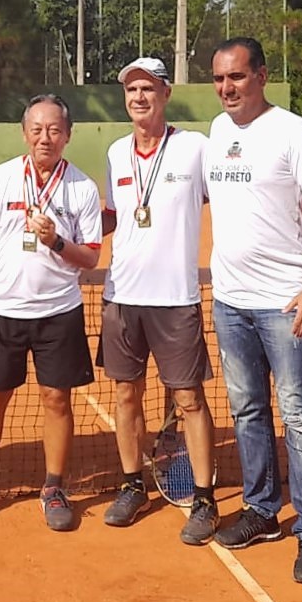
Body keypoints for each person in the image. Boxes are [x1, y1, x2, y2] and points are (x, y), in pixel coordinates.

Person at [202, 37, 302, 585]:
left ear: (261, 75)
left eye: (236, 77)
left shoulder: (292, 131)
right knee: (247, 411)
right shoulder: (217, 132)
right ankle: (262, 510)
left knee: (301, 420)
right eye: (218, 79)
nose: (226, 88)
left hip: (285, 303)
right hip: (230, 301)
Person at [0, 94, 102, 531]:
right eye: (37, 129)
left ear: (68, 136)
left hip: (59, 313)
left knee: (57, 399)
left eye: (54, 130)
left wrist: (55, 240)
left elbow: (90, 258)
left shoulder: (82, 188)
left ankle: (54, 487)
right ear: (24, 133)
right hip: (3, 312)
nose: (45, 138)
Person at [98, 57, 219, 544]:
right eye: (131, 90)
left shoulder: (195, 148)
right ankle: (132, 485)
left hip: (175, 299)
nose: (139, 98)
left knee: (189, 399)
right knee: (126, 395)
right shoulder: (114, 153)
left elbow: (230, 199)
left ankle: (205, 498)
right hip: (121, 297)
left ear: (166, 94)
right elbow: (112, 218)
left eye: (148, 88)